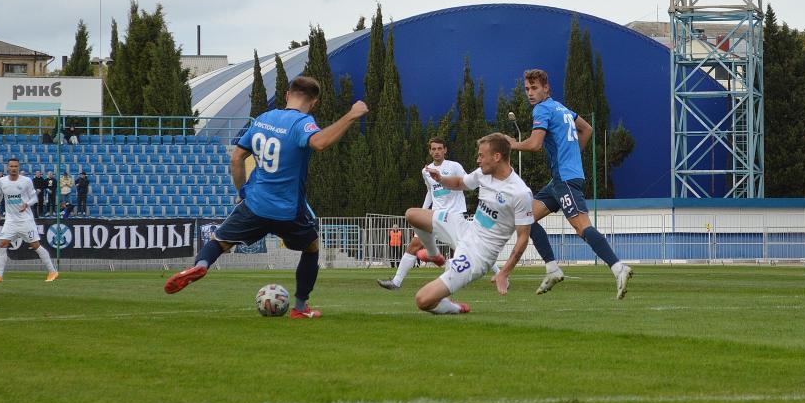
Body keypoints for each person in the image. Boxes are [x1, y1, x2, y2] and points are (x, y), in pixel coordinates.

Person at [164, 76, 367, 318]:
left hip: (255, 204)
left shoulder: (263, 119)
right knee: (312, 248)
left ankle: (200, 265)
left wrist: (242, 193)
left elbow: (236, 158)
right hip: (288, 209)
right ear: (314, 102)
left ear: (287, 95)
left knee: (219, 242)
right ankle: (300, 307)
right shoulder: (302, 123)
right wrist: (351, 115)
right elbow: (320, 142)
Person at [507, 69, 632, 299]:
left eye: (534, 88)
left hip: (565, 179)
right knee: (525, 217)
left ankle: (618, 268)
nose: (530, 93)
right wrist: (571, 156)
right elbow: (587, 129)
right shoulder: (561, 108)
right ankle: (552, 269)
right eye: (527, 89)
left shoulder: (542, 109)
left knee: (582, 227)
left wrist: (513, 145)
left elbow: (535, 144)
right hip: (560, 179)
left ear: (546, 88)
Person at [411, 133, 534, 314]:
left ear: (497, 157)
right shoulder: (483, 174)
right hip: (465, 229)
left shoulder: (520, 193)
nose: (477, 160)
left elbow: (523, 237)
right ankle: (433, 254)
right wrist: (441, 179)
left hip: (478, 255)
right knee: (412, 215)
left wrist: (504, 272)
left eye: (481, 156)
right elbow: (460, 182)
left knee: (422, 300)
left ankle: (452, 307)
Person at [378, 137, 469, 290]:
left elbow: (466, 183)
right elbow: (430, 191)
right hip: (434, 215)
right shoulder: (426, 171)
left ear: (445, 150)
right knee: (414, 244)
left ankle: (499, 274)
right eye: (434, 149)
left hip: (454, 214)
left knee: (465, 246)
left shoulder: (454, 166)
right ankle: (396, 282)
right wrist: (423, 211)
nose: (437, 151)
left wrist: (448, 182)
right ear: (430, 151)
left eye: (439, 148)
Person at [0, 158, 59, 284]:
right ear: (8, 168)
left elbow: (35, 198)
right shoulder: (2, 181)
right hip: (10, 221)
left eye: (15, 166)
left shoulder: (26, 181)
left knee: (35, 245)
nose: (13, 168)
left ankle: (52, 271)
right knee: (2, 244)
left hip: (25, 220)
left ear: (18, 167)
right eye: (11, 166)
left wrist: (27, 204)